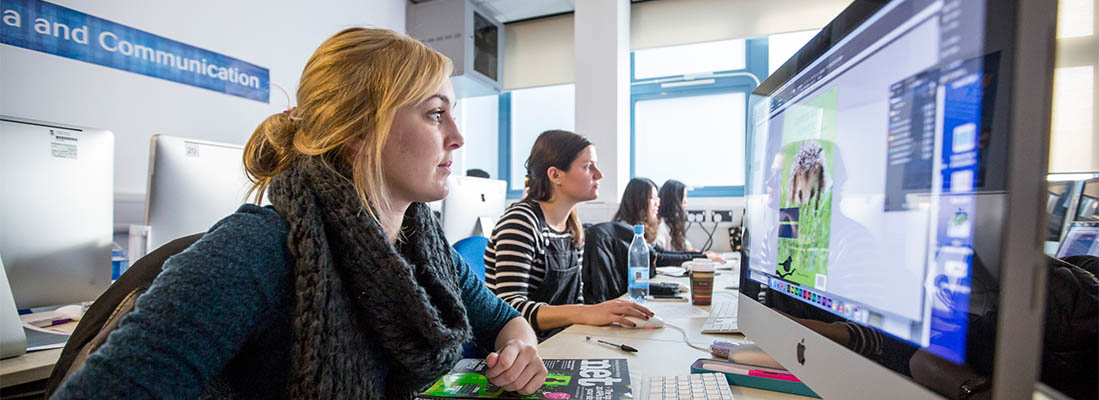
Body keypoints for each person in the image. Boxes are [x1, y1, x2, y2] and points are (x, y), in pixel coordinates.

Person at [53, 28, 546, 399]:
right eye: (436, 113)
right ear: (358, 132)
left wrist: (522, 348)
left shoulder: (424, 249)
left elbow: (505, 320)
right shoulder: (258, 250)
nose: (457, 136)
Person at [484, 130, 653, 336]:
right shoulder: (521, 222)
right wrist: (585, 313)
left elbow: (575, 300)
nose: (599, 175)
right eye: (588, 166)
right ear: (555, 175)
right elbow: (510, 310)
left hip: (559, 339)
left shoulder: (572, 226)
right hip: (520, 350)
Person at [581, 178, 718, 303]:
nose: (658, 203)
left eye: (657, 198)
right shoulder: (623, 232)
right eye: (652, 198)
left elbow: (660, 252)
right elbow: (659, 258)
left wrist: (700, 256)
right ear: (638, 201)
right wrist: (701, 257)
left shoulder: (640, 227)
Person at [655, 179, 725, 259]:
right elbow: (661, 257)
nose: (686, 201)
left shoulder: (674, 224)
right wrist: (702, 256)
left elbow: (687, 249)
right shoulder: (661, 227)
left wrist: (699, 254)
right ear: (674, 200)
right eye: (684, 197)